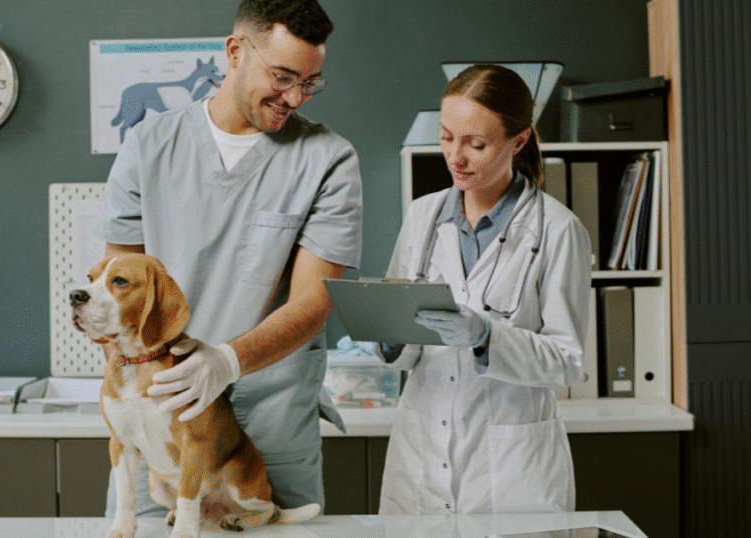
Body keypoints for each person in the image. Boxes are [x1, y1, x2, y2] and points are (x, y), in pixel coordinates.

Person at [94, 0, 362, 519]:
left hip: (269, 427)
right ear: (236, 51)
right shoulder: (148, 146)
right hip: (158, 417)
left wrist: (226, 361)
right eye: (282, 76)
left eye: (310, 82)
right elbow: (117, 291)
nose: (294, 97)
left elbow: (314, 300)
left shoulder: (328, 159)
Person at [376, 64, 592, 515]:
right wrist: (391, 334)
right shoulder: (422, 217)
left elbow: (567, 361)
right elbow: (404, 347)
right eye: (446, 137)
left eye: (476, 144)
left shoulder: (557, 230)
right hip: (421, 450)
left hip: (512, 467)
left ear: (519, 140)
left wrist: (486, 336)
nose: (456, 156)